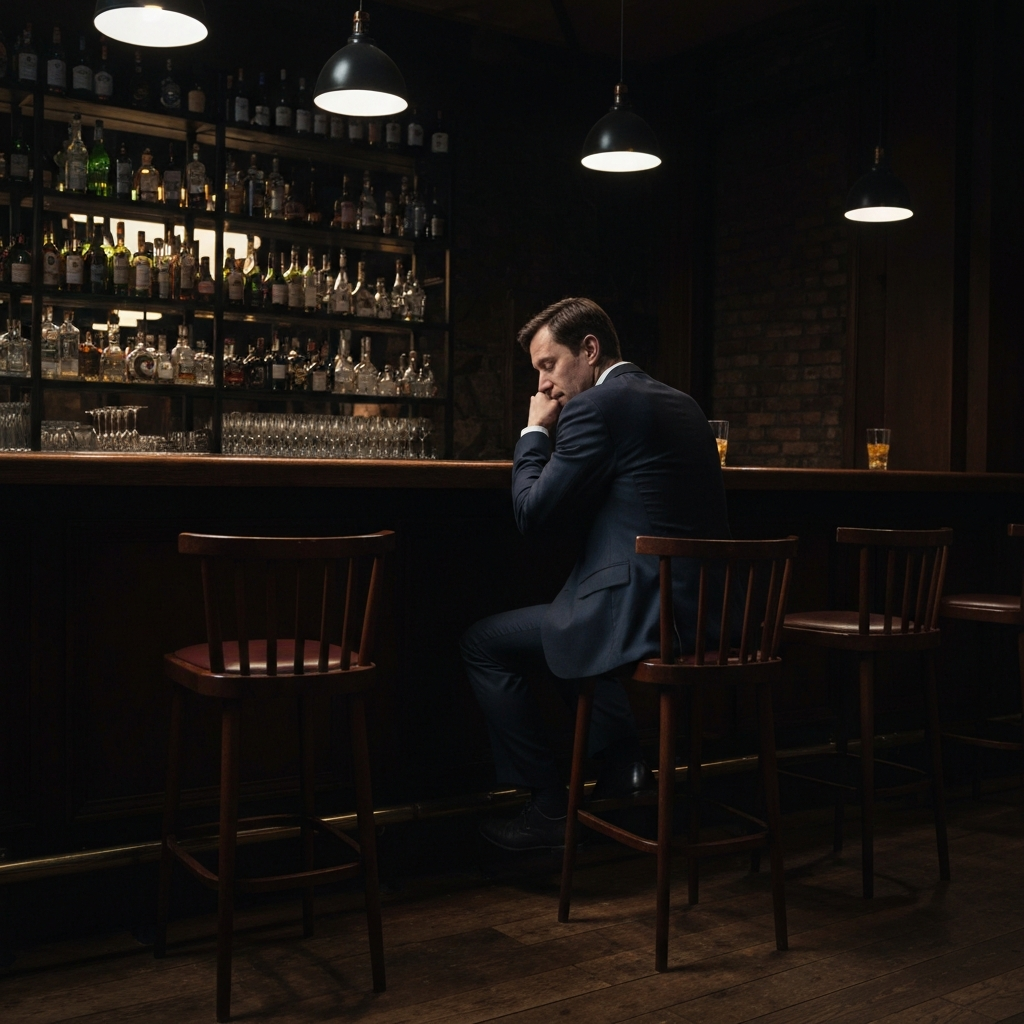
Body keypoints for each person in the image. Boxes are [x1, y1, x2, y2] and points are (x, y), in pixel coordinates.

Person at [461, 297, 731, 850]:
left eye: (548, 365)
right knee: (571, 607)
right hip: (708, 615)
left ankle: (549, 807)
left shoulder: (595, 407)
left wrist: (533, 432)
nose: (542, 385)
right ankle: (621, 763)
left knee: (484, 642)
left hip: (646, 620)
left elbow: (531, 514)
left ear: (589, 350)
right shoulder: (684, 404)